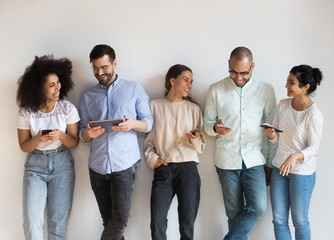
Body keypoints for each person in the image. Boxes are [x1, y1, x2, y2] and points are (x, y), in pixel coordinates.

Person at [78, 44, 153, 240]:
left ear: (114, 63)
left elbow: (149, 123)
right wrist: (87, 135)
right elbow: (81, 134)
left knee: (120, 220)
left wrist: (132, 124)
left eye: (104, 67)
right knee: (109, 221)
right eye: (95, 68)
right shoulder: (87, 95)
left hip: (125, 165)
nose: (99, 72)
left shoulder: (134, 88)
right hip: (97, 166)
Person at [204, 46, 277, 240]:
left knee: (259, 207)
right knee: (234, 214)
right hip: (226, 160)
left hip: (254, 160)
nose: (238, 78)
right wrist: (214, 128)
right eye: (233, 72)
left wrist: (269, 165)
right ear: (228, 64)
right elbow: (206, 125)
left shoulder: (266, 90)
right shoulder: (216, 89)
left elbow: (272, 131)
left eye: (244, 73)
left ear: (252, 66)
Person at [16, 55, 80, 240]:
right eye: (52, 85)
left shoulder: (67, 109)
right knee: (31, 221)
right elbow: (23, 146)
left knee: (58, 225)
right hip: (34, 165)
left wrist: (61, 135)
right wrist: (37, 139)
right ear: (39, 88)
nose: (57, 87)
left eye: (58, 82)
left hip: (62, 165)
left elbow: (74, 142)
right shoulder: (26, 112)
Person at [144, 64, 206, 240]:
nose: (189, 85)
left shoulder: (194, 109)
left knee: (187, 224)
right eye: (185, 79)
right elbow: (148, 142)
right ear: (172, 80)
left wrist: (193, 138)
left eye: (191, 81)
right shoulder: (154, 106)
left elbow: (201, 146)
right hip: (163, 167)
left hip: (188, 168)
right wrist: (153, 159)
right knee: (157, 222)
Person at [261, 65, 324, 240]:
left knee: (300, 221)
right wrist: (271, 134)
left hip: (302, 173)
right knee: (279, 220)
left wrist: (295, 156)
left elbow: (314, 148)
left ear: (305, 87)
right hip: (279, 169)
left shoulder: (314, 114)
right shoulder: (283, 105)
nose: (286, 86)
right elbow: (276, 139)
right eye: (287, 81)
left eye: (291, 82)